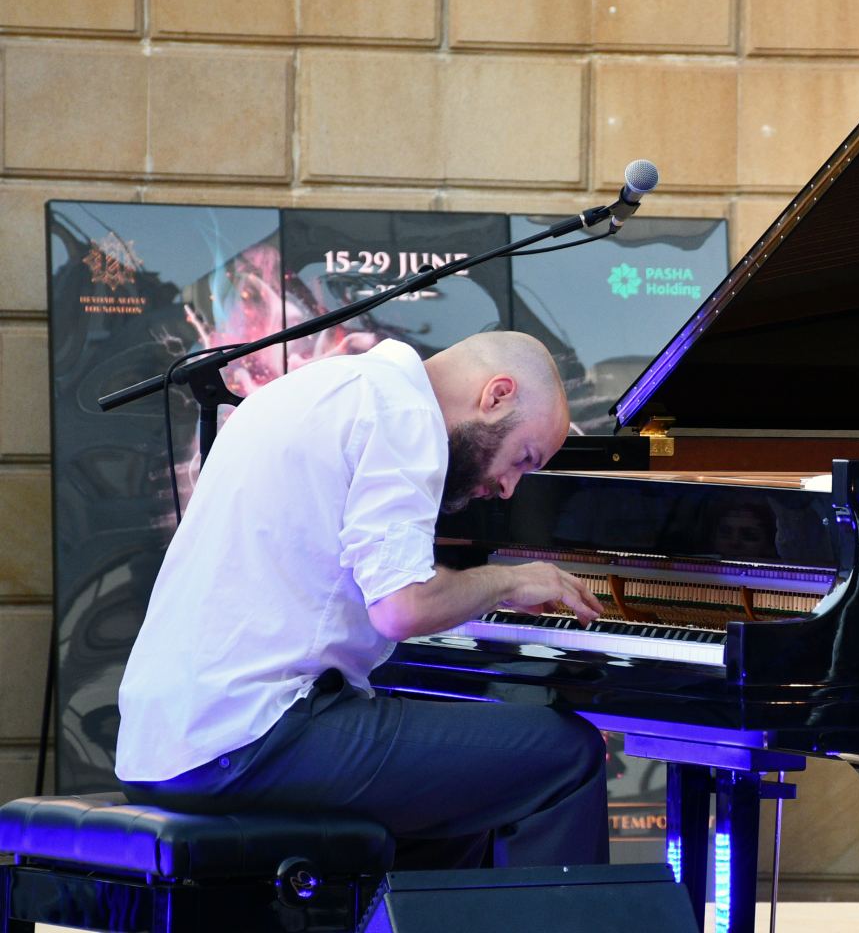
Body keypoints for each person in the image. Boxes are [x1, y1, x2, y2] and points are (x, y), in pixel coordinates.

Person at [114, 331, 609, 870]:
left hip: (162, 745)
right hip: (251, 736)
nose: (511, 487)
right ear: (497, 395)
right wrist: (510, 582)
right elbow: (403, 609)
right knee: (566, 756)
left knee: (466, 802)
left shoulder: (314, 388)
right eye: (523, 458)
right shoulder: (404, 413)